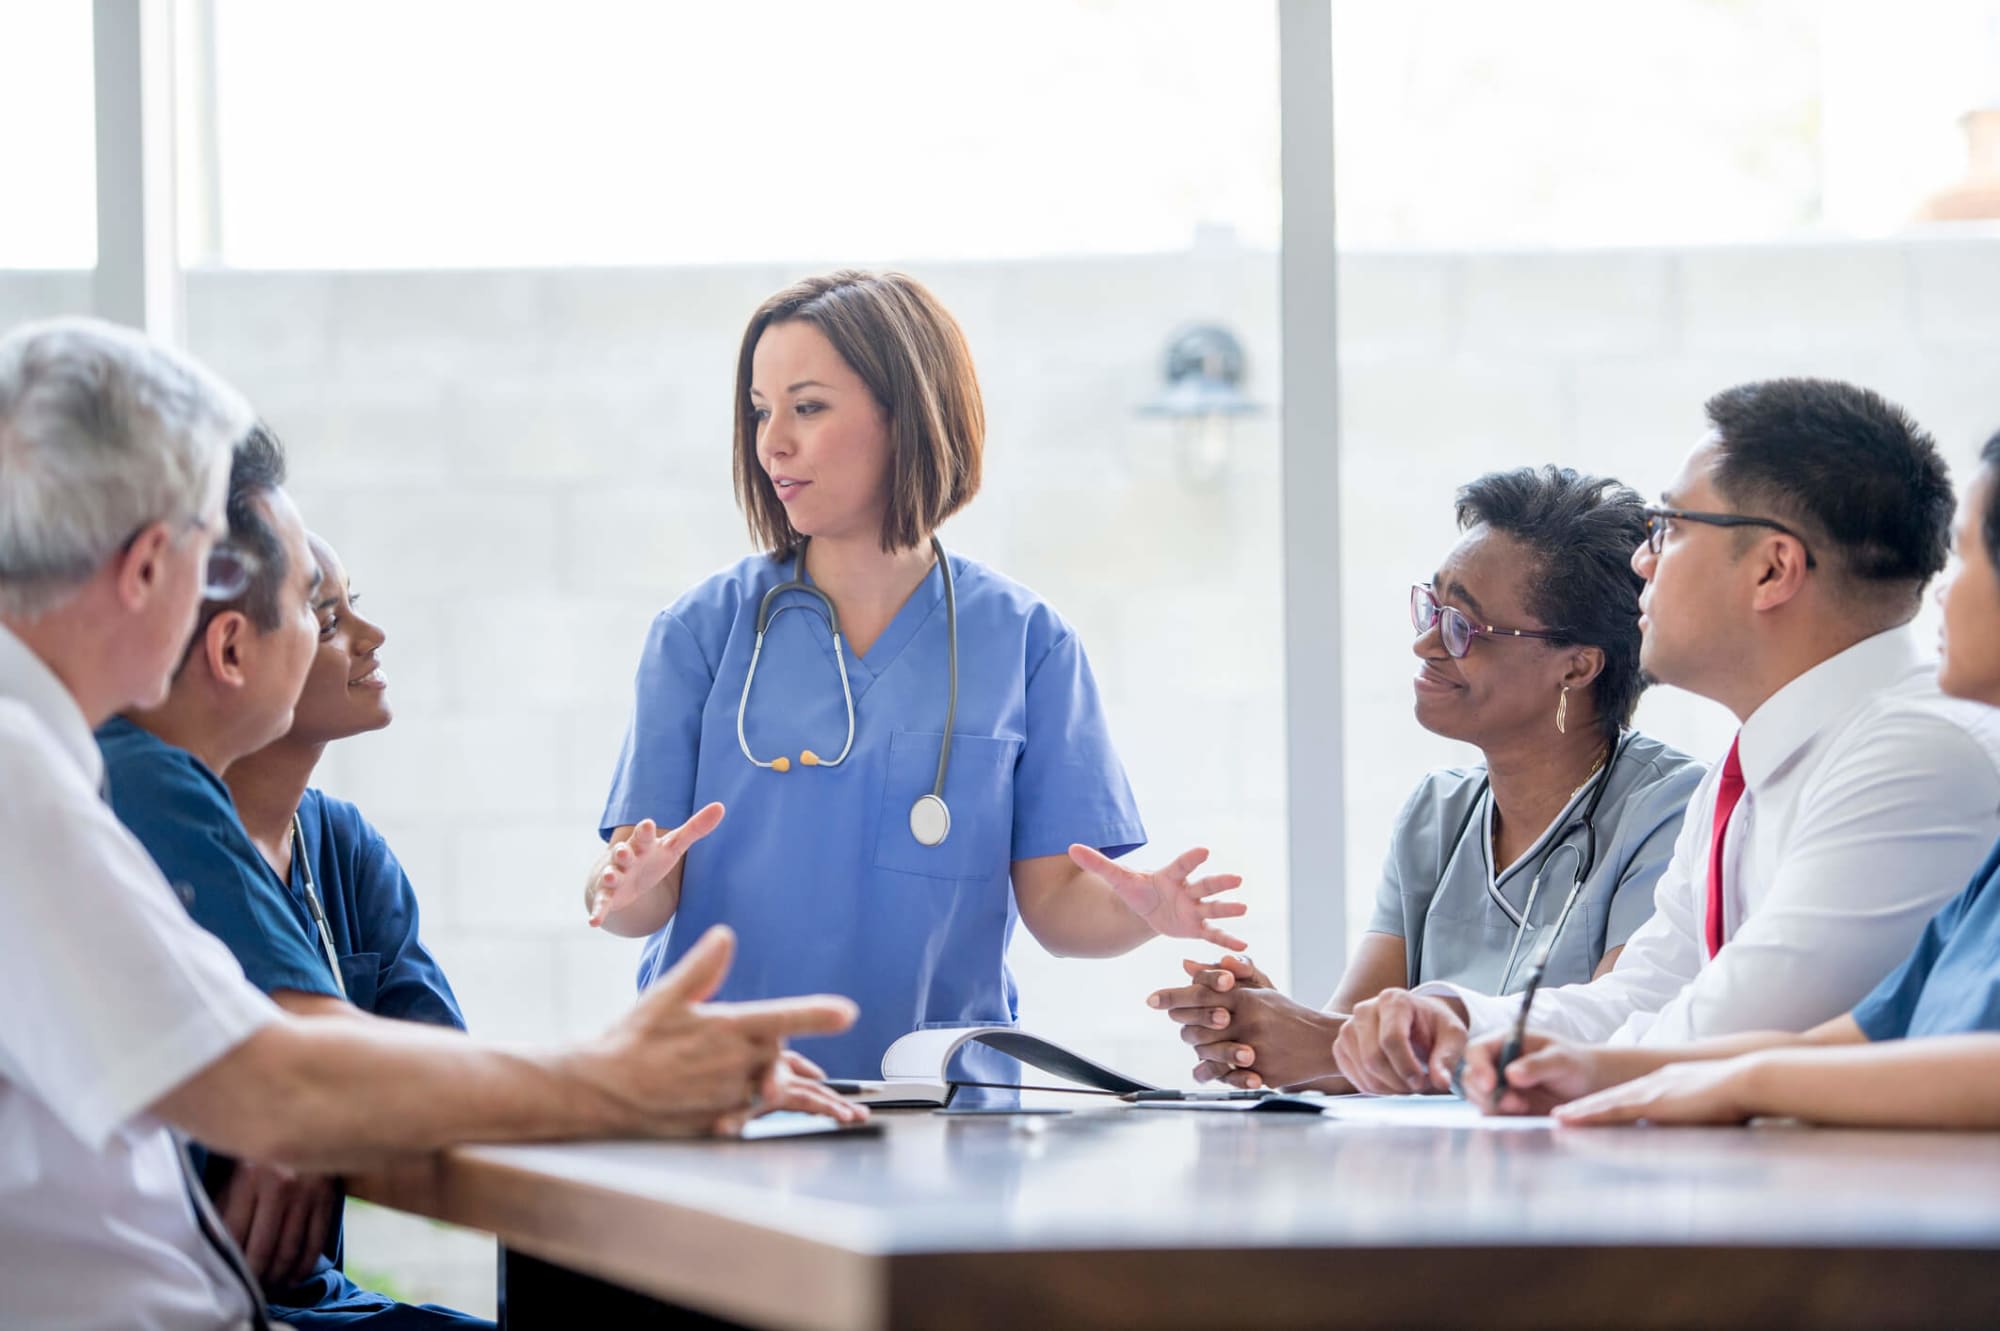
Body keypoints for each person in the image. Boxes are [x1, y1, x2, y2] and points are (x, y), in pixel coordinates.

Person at [0, 317, 862, 1331]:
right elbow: (269, 1081)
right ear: (149, 567)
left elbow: (270, 1068)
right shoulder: (28, 774)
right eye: (208, 557)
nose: (214, 602)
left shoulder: (66, 766)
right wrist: (628, 1074)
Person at [584, 270, 1248, 1082]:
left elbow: (1060, 906)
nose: (772, 443)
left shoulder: (1027, 643)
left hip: (938, 1103)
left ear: (907, 413)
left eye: (808, 406)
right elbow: (637, 899)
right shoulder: (700, 631)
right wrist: (626, 886)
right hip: (722, 1095)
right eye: (761, 411)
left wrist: (1143, 911)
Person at [1331, 378, 2000, 1096]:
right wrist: (1461, 1018)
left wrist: (1515, 1056)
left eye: (1670, 528)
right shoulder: (1746, 769)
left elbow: (1729, 1026)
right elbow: (1645, 991)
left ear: (1773, 568)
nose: (1642, 561)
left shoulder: (1919, 756)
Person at [1143, 468, 1704, 1091]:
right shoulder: (1437, 811)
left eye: (1463, 626)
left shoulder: (1672, 813)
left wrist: (1317, 1044)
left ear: (1577, 667)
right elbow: (1345, 1041)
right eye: (1431, 608)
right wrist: (1261, 1028)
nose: (1426, 645)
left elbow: (1622, 1035)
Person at [97, 428, 480, 1326]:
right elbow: (326, 1070)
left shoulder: (340, 845)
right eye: (323, 610)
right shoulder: (136, 782)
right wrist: (312, 1088)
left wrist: (314, 1104)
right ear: (231, 649)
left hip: (302, 1296)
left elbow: (437, 1068)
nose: (365, 636)